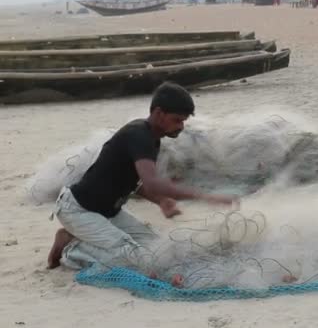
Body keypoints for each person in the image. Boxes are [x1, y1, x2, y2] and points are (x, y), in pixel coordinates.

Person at [47, 82, 238, 286]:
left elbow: (135, 183)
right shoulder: (138, 135)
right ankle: (71, 248)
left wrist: (160, 201)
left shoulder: (152, 139)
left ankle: (73, 235)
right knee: (130, 253)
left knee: (155, 244)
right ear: (158, 113)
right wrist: (205, 197)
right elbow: (153, 183)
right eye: (177, 120)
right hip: (78, 210)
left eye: (183, 121)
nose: (181, 126)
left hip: (108, 212)